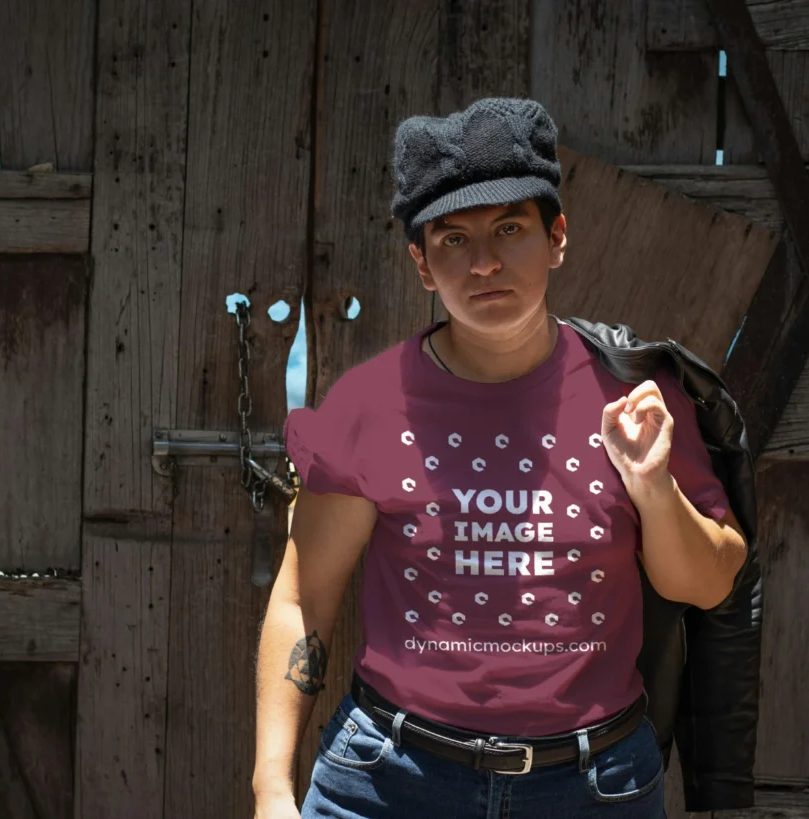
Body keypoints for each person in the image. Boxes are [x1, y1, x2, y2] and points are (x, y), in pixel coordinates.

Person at [252, 97, 755, 819]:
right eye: (452, 239)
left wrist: (651, 486)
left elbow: (708, 585)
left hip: (592, 785)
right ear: (422, 264)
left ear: (557, 237)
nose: (483, 262)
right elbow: (303, 598)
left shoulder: (636, 396)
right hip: (390, 783)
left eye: (510, 228)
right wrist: (271, 786)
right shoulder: (369, 404)